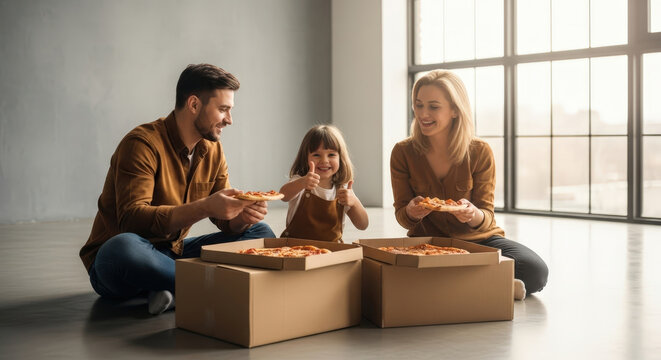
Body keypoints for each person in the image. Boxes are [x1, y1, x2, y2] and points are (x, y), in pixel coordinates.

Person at [79, 64, 276, 315]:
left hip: (172, 254)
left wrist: (240, 218)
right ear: (194, 104)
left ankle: (173, 289)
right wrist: (205, 207)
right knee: (122, 248)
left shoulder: (212, 149)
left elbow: (224, 220)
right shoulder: (141, 144)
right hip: (121, 262)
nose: (229, 120)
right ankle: (216, 287)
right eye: (223, 109)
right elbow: (131, 220)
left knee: (261, 233)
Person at [390, 69, 548, 300]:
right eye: (418, 104)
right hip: (428, 243)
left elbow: (487, 214)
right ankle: (495, 284)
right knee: (390, 269)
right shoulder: (403, 152)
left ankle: (465, 283)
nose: (423, 113)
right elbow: (402, 215)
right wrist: (412, 212)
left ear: (455, 110)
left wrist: (472, 215)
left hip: (480, 240)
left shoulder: (479, 151)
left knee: (535, 271)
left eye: (434, 106)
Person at [279, 125, 369, 242]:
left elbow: (363, 225)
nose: (324, 161)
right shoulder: (301, 181)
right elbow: (283, 196)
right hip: (296, 248)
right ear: (305, 158)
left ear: (340, 159)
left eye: (331, 155)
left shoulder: (343, 189)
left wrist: (354, 203)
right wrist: (302, 183)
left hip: (331, 251)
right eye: (316, 155)